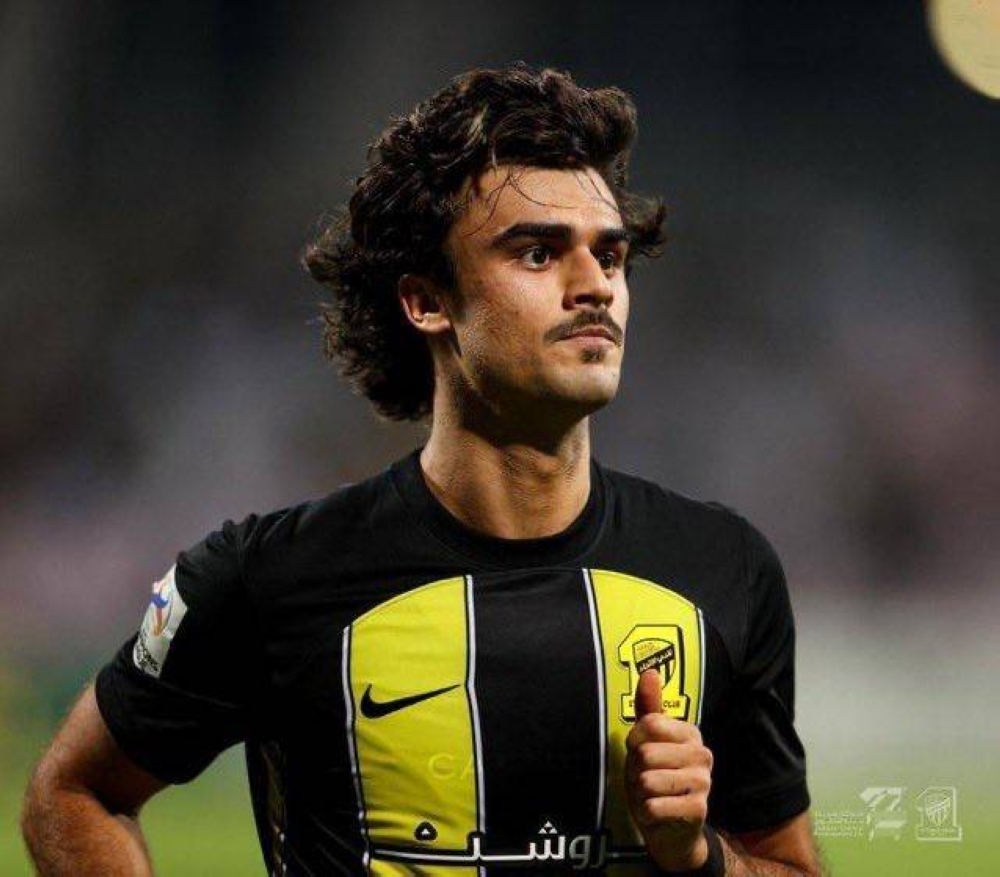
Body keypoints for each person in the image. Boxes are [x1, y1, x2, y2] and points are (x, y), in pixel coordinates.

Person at [22, 63, 824, 876]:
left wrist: (700, 855)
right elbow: (75, 791)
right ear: (427, 300)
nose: (595, 288)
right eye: (539, 253)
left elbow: (788, 864)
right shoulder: (270, 578)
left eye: (610, 256)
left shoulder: (723, 568)